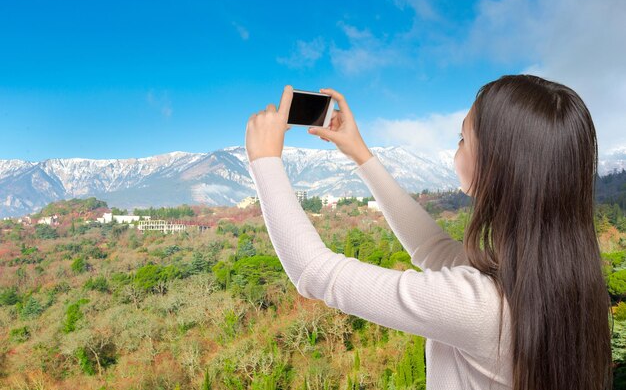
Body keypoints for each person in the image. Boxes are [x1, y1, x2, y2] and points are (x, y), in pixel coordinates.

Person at [244, 75, 613, 390]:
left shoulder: (483, 306)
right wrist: (359, 153)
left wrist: (264, 160)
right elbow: (434, 250)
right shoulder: (559, 276)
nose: (457, 146)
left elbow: (316, 273)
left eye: (463, 138)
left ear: (499, 165)